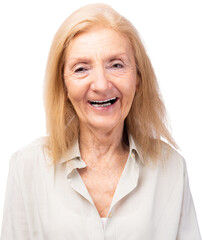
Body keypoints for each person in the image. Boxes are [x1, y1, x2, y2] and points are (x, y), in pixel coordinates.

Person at [1, 3, 201, 240]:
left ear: (137, 78)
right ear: (64, 85)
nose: (101, 85)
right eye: (81, 69)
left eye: (116, 65)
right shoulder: (27, 167)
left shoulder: (171, 168)